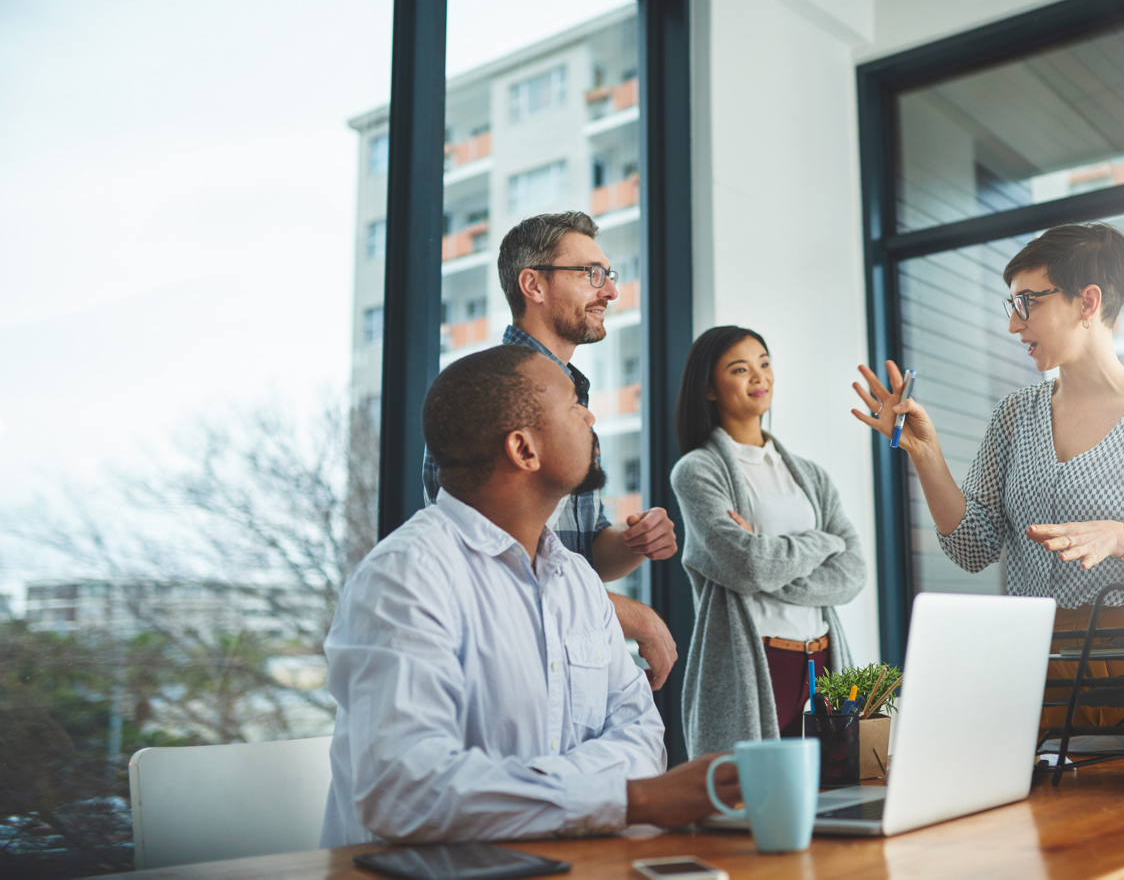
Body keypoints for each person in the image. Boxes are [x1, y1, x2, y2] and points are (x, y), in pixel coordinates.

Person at [322, 345, 739, 846]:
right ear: (524, 450)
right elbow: (406, 791)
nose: (589, 415)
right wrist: (632, 801)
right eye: (572, 405)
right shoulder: (405, 577)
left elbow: (643, 738)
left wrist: (528, 792)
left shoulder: (578, 580)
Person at [852, 223, 1124, 730]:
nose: (1014, 325)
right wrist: (926, 453)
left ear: (1087, 302)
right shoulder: (1016, 414)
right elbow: (972, 548)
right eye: (1011, 305)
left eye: (1027, 302)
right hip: (1038, 666)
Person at [423, 211, 679, 690]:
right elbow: (493, 565)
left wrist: (631, 543)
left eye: (609, 275)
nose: (610, 291)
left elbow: (585, 552)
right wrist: (630, 615)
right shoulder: (484, 395)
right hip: (510, 668)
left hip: (572, 657)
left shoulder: (575, 401)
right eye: (591, 274)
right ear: (533, 285)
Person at [670, 326, 867, 758]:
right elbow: (750, 567)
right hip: (756, 662)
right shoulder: (698, 471)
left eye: (764, 363)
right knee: (754, 808)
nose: (759, 377)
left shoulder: (811, 475)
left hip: (823, 660)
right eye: (740, 369)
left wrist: (769, 553)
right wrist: (822, 542)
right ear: (709, 388)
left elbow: (853, 574)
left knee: (837, 804)